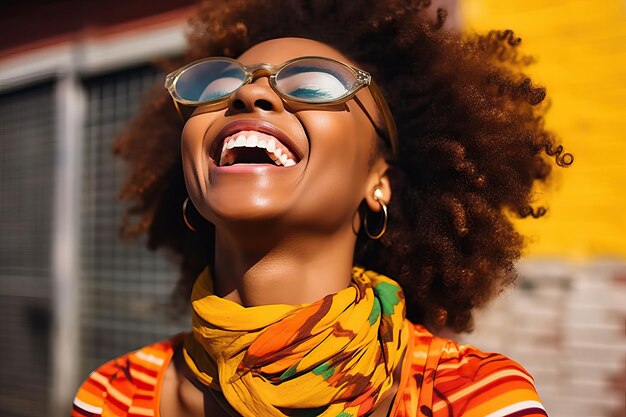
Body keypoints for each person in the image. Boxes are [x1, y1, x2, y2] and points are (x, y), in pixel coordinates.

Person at [71, 1, 573, 416]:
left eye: (312, 84)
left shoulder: (475, 397)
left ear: (378, 181)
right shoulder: (113, 395)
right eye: (219, 87)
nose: (249, 93)